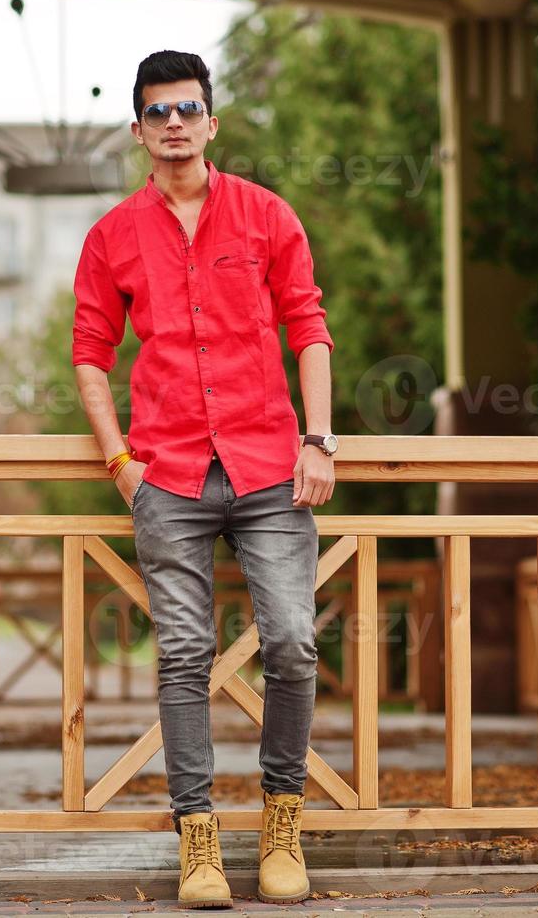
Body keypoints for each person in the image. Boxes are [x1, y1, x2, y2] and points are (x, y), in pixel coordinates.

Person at [70, 49, 338, 909]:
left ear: (210, 122)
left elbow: (308, 326)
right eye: (157, 112)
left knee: (292, 641)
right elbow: (88, 353)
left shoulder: (264, 215)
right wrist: (118, 459)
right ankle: (199, 845)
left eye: (187, 108)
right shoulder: (113, 235)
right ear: (140, 130)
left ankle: (281, 822)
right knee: (184, 655)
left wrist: (320, 440)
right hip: (169, 474)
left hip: (269, 467)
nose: (174, 123)